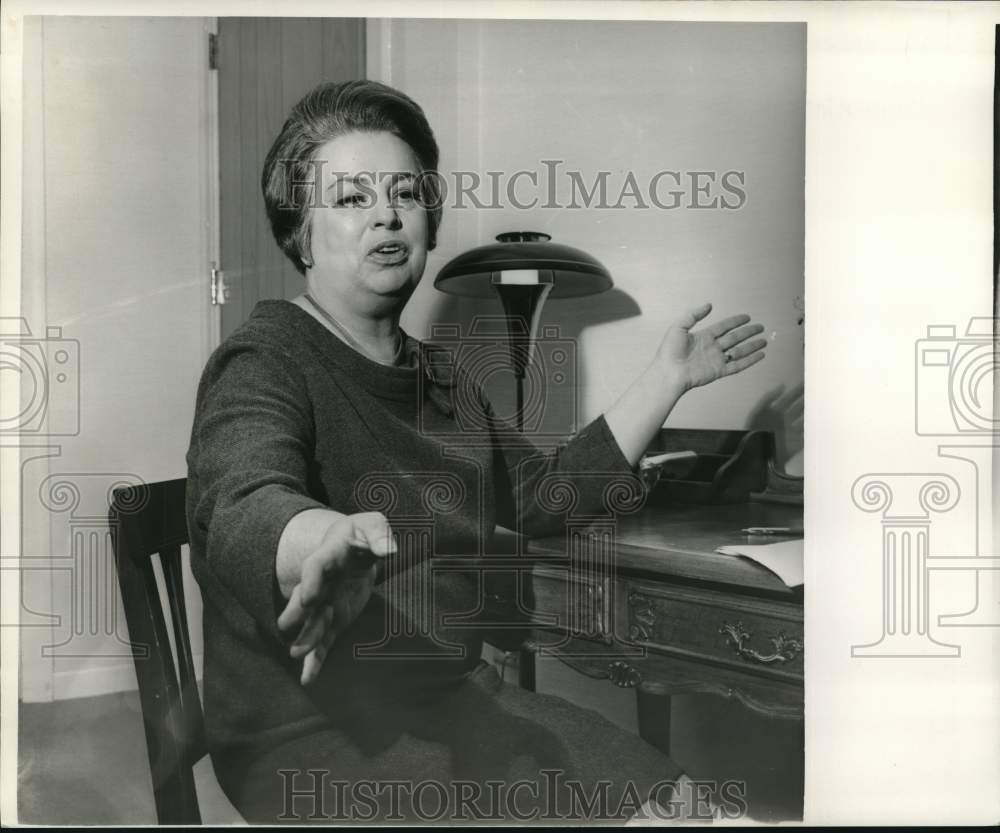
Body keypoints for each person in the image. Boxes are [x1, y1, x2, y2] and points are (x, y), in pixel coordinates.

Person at [186, 79, 766, 824]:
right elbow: (243, 497)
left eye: (405, 192)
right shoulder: (263, 358)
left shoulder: (444, 377)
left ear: (429, 221)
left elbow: (541, 496)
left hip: (451, 699)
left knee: (688, 809)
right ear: (300, 232)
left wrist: (666, 380)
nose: (388, 213)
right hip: (313, 736)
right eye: (352, 198)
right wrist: (324, 539)